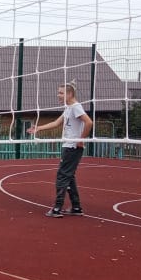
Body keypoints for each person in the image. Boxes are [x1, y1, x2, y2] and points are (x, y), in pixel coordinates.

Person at [27, 81, 93, 218]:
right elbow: (56, 123)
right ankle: (76, 207)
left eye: (61, 93)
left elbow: (89, 122)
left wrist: (81, 140)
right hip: (68, 145)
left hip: (72, 147)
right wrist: (38, 128)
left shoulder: (76, 107)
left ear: (70, 94)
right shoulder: (68, 108)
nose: (58, 95)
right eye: (58, 93)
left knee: (62, 176)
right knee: (69, 176)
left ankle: (57, 208)